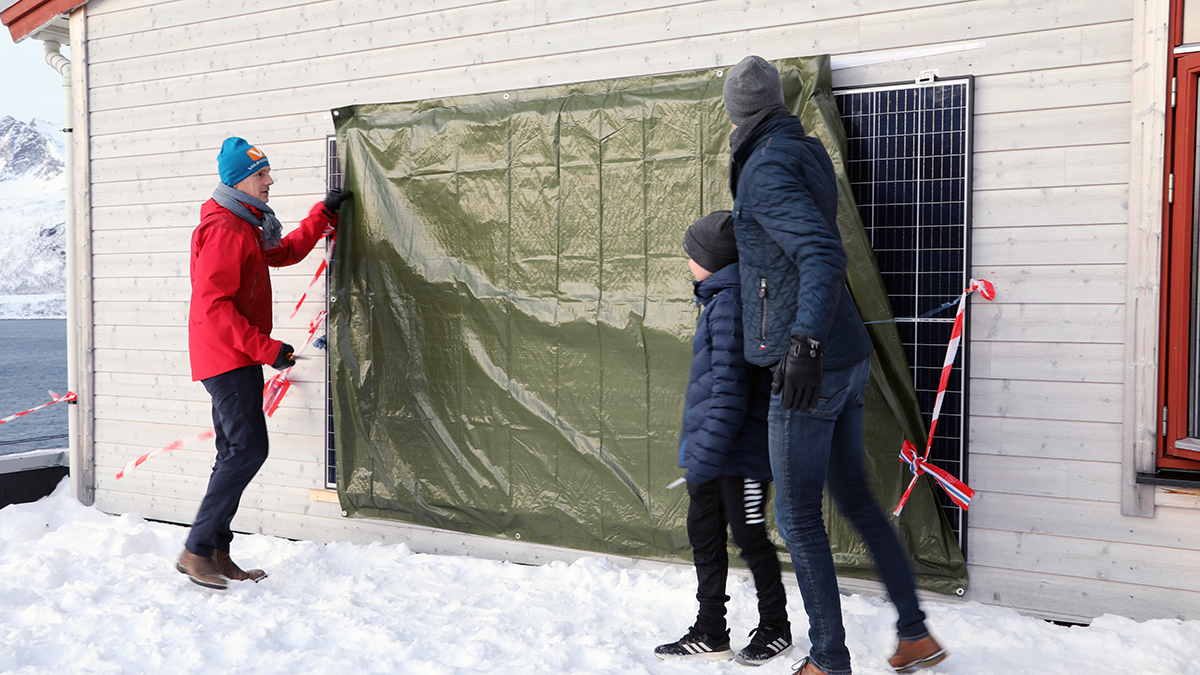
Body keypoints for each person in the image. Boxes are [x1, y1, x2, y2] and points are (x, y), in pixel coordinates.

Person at [721, 55, 948, 675]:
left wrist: (802, 346)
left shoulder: (764, 168)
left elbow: (822, 252)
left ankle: (827, 661)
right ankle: (915, 634)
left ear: (734, 111)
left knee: (795, 516)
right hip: (847, 356)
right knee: (854, 498)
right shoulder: (804, 149)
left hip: (812, 365)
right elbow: (794, 246)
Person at [176, 136, 352, 590]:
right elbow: (213, 306)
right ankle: (196, 550)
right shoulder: (224, 229)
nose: (270, 180)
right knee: (248, 450)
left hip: (236, 355)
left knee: (234, 452)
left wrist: (324, 214)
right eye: (261, 175)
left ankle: (215, 551)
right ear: (239, 180)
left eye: (268, 172)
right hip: (227, 356)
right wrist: (266, 348)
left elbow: (284, 252)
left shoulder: (247, 225)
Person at [654, 211, 792, 667]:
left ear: (711, 260)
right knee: (706, 534)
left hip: (743, 454)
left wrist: (704, 459)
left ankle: (776, 627)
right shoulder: (719, 298)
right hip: (716, 451)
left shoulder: (732, 302)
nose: (688, 261)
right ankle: (711, 629)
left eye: (691, 254)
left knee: (750, 537)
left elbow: (731, 390)